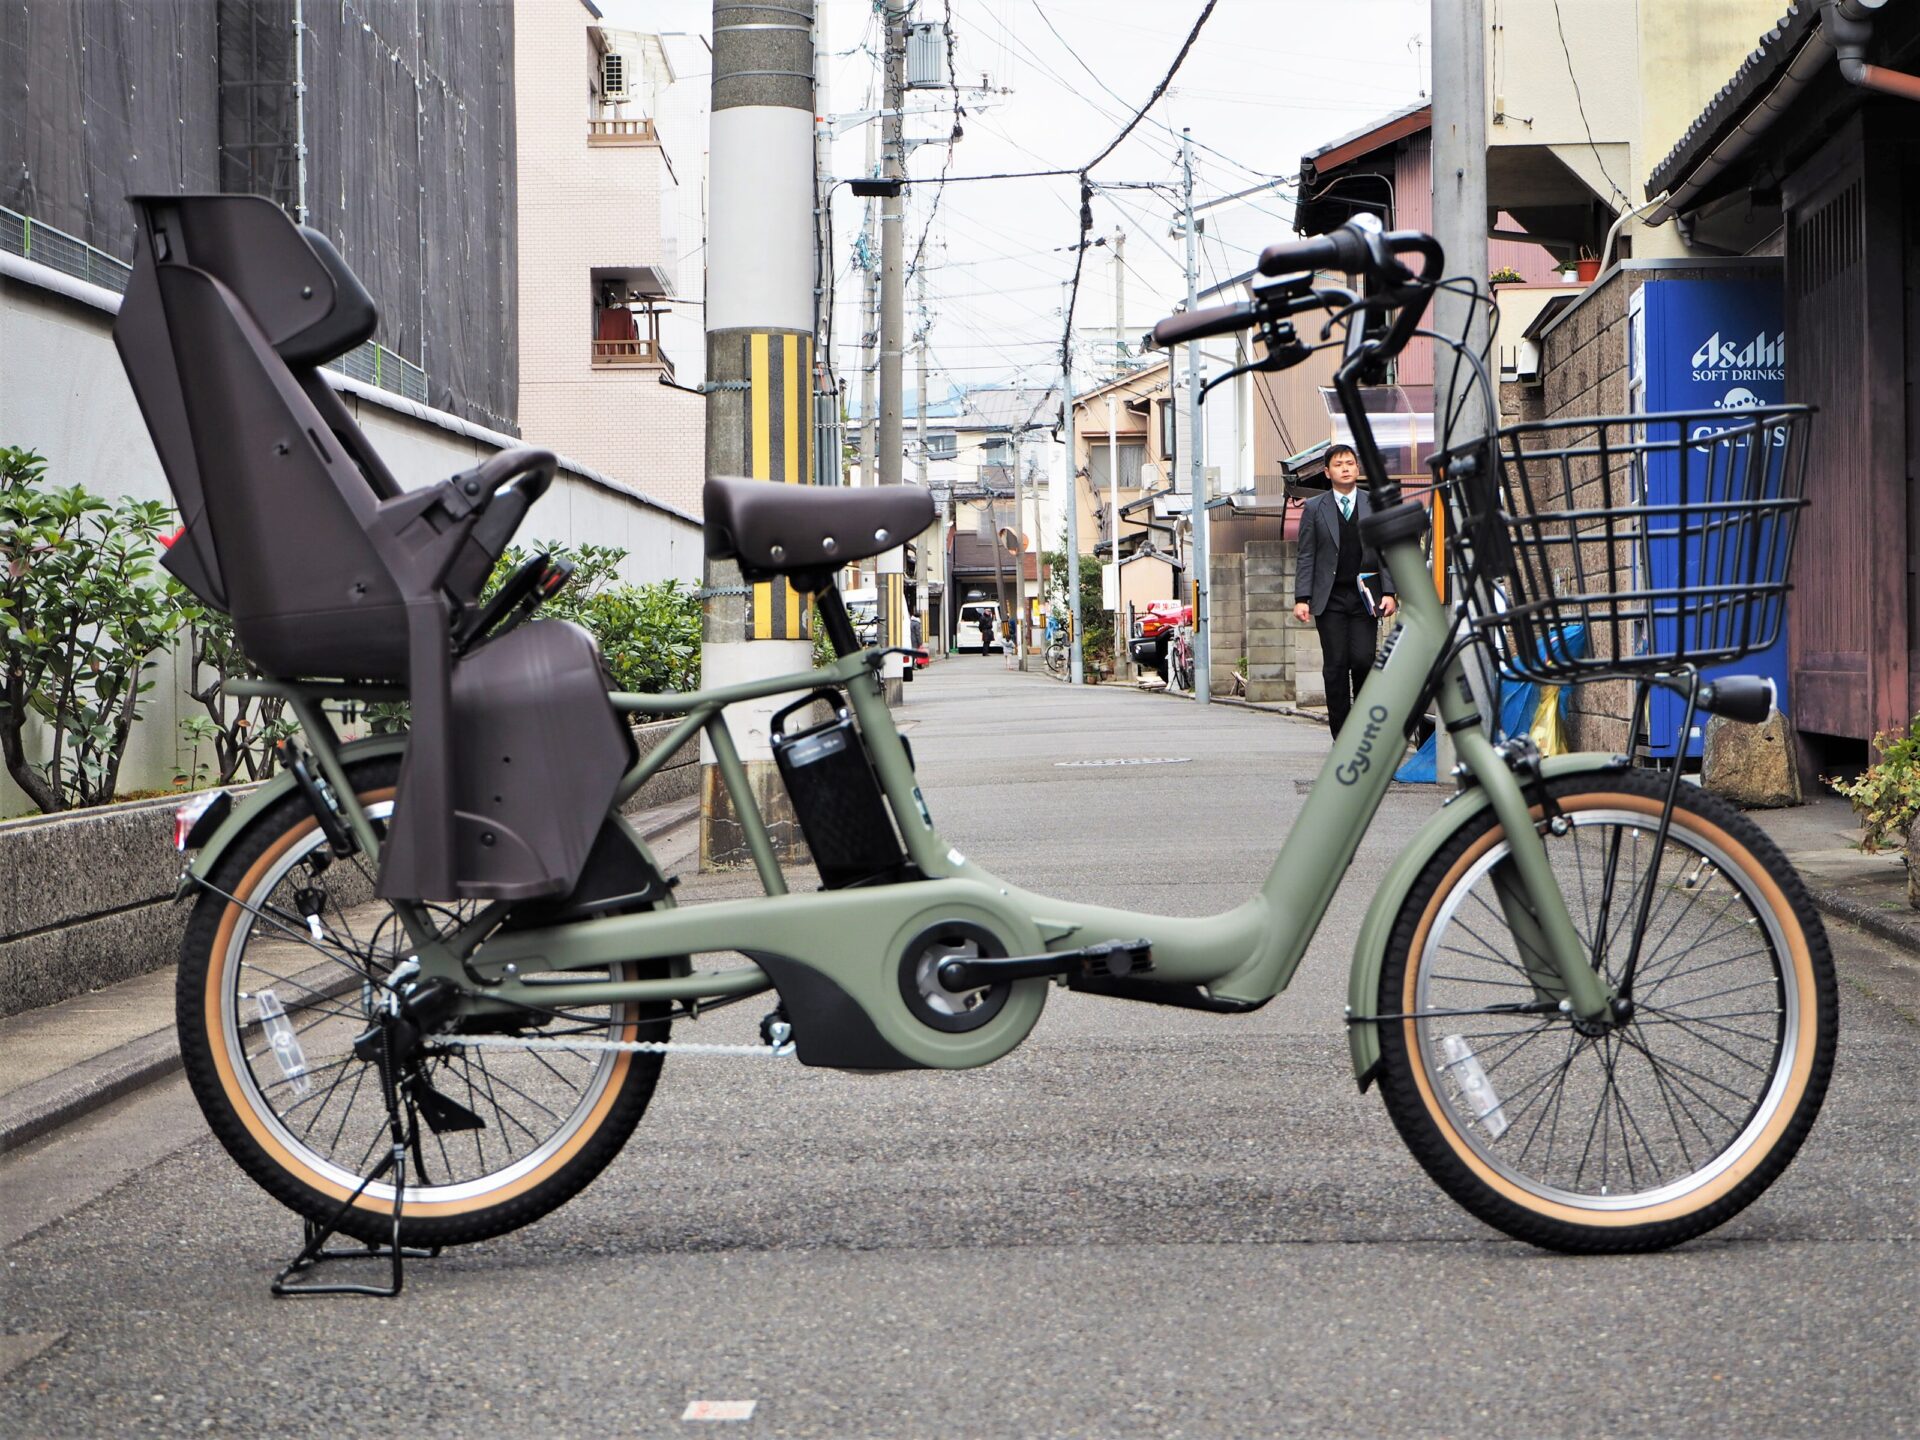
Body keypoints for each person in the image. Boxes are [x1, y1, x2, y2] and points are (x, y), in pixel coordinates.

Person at [1293, 445, 1397, 738]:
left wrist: (1389, 592)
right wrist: (1302, 598)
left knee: (1364, 660)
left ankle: (1363, 729)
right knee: (1336, 665)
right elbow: (1306, 555)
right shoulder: (1315, 508)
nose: (1345, 468)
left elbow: (1385, 550)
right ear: (1328, 472)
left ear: (1357, 469)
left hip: (1366, 596)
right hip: (1330, 599)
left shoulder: (1374, 504)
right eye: (1338, 464)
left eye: (1350, 463)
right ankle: (1342, 735)